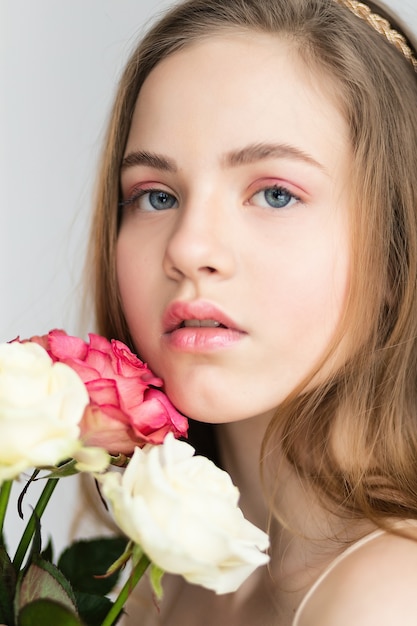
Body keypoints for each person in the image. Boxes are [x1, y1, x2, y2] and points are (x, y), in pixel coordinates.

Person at [87, 0, 417, 623]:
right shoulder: (149, 589)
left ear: (399, 252)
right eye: (155, 196)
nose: (188, 248)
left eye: (274, 193)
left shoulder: (389, 597)